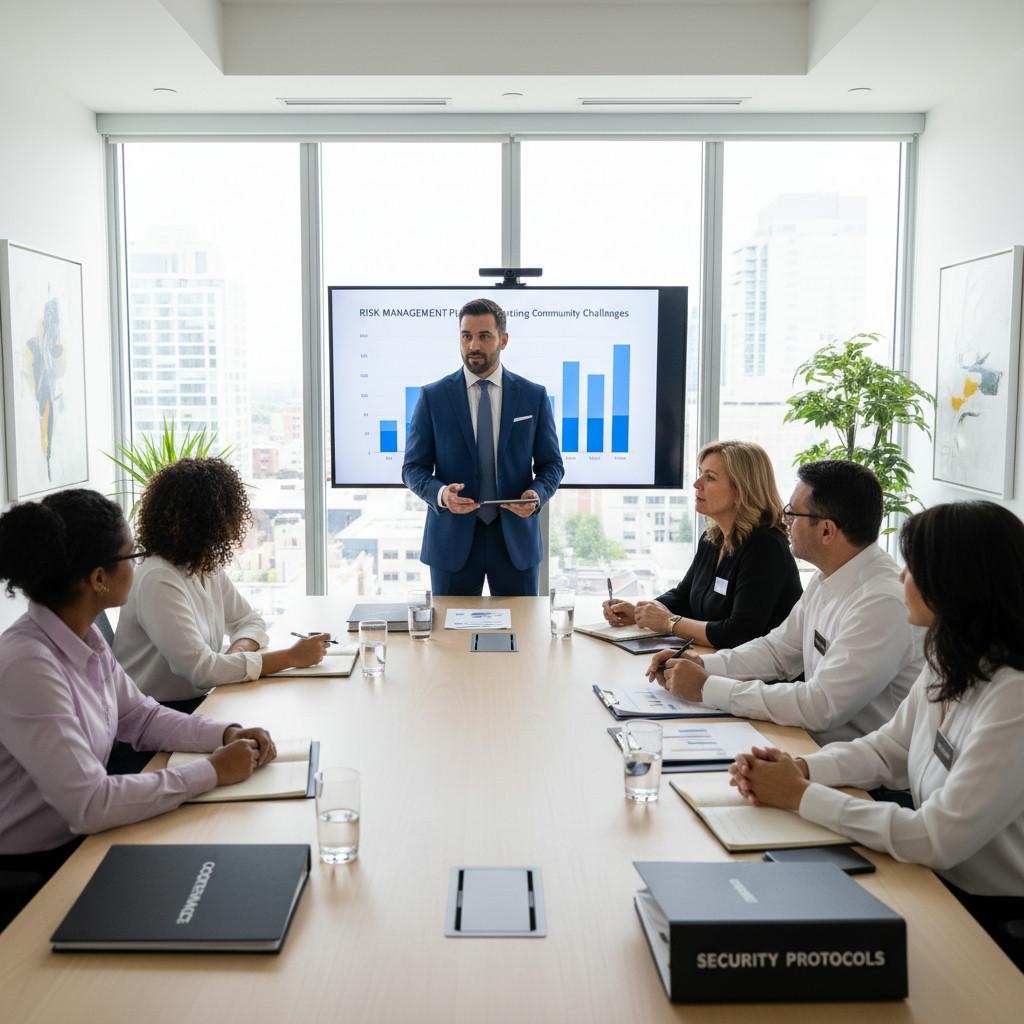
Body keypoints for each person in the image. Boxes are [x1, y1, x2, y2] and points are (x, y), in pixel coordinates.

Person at [729, 501, 1024, 970]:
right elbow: (888, 749)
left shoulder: (1013, 700)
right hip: (931, 882)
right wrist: (801, 768)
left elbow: (935, 838)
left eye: (914, 567)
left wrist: (800, 795)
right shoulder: (953, 661)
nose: (901, 577)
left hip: (989, 920)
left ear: (957, 584)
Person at [0, 489, 275, 927]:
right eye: (132, 554)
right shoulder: (28, 664)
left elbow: (139, 716)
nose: (139, 563)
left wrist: (224, 734)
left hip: (81, 844)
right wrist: (212, 771)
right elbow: (90, 802)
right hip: (34, 875)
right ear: (98, 579)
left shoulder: (83, 636)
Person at [648, 459, 923, 745]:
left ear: (827, 531)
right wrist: (702, 665)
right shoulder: (828, 577)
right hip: (812, 745)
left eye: (792, 513)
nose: (785, 520)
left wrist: (707, 687)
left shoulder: (881, 603)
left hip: (862, 776)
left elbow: (820, 706)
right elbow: (778, 651)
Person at [114, 458, 328, 710]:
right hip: (155, 716)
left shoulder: (204, 564)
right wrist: (291, 657)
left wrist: (234, 655)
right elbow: (203, 671)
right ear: (212, 521)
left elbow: (251, 621)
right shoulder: (158, 578)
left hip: (200, 703)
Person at [402, 297, 564, 596]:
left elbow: (552, 465)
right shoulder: (433, 397)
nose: (473, 345)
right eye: (466, 336)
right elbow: (413, 468)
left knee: (524, 634)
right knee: (450, 640)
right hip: (452, 541)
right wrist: (441, 494)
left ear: (503, 340)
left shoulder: (533, 396)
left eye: (484, 336)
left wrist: (536, 495)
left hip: (516, 541)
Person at [601, 440, 802, 647]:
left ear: (741, 490)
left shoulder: (765, 548)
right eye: (700, 473)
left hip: (759, 676)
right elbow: (683, 597)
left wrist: (669, 623)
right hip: (718, 664)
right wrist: (641, 611)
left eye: (710, 478)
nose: (697, 484)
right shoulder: (712, 538)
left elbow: (739, 633)